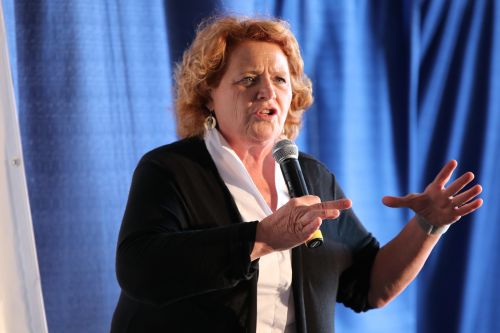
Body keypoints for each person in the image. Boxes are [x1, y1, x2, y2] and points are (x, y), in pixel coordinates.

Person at [110, 16, 483, 333]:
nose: (266, 92)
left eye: (280, 80)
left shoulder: (312, 178)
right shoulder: (171, 170)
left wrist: (427, 227)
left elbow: (369, 285)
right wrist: (263, 237)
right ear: (209, 93)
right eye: (249, 79)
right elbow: (140, 269)